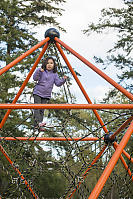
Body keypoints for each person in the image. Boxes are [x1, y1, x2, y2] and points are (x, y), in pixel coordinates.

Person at [33, 56, 67, 130]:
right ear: (45, 64)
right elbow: (35, 78)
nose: (49, 65)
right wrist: (39, 70)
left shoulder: (54, 74)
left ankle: (39, 125)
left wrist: (63, 80)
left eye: (51, 63)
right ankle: (38, 123)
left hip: (46, 95)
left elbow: (58, 83)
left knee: (42, 110)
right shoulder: (42, 71)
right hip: (38, 92)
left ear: (54, 65)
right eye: (47, 63)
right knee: (37, 107)